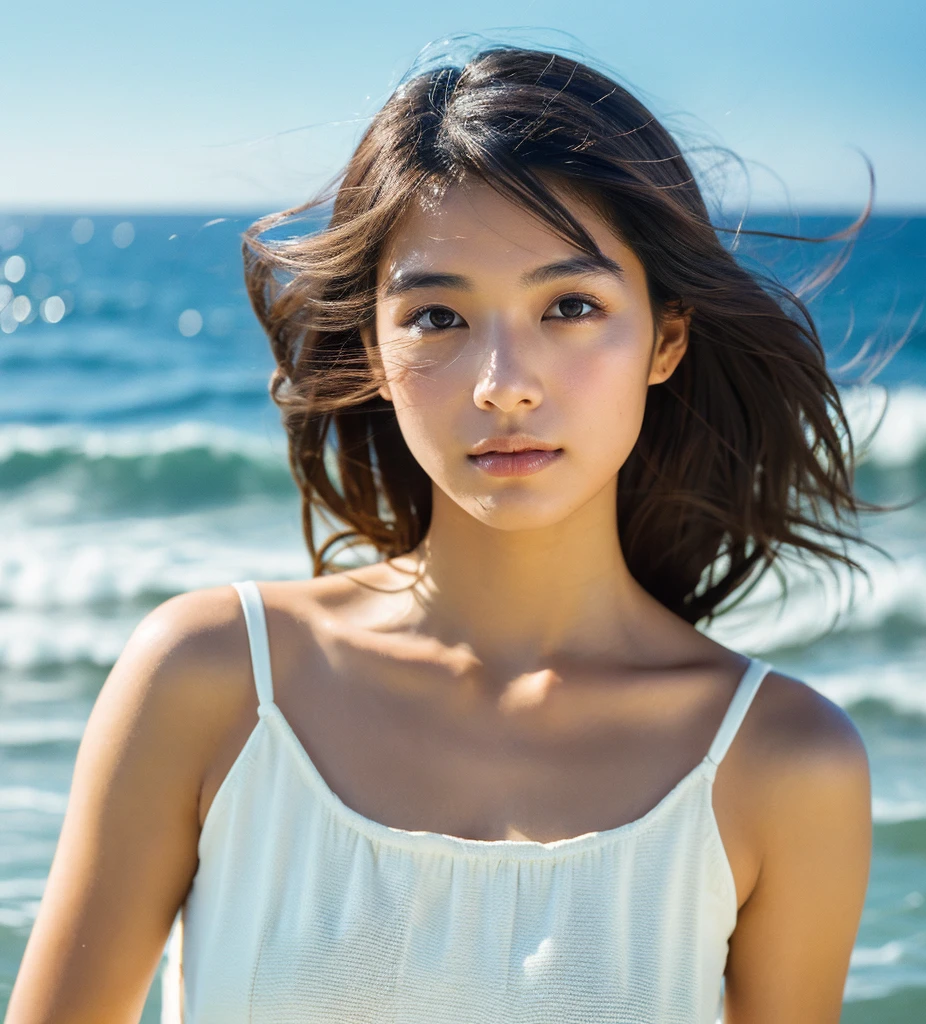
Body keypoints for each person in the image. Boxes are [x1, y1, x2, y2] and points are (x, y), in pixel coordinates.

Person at [7, 44, 877, 1024]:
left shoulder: (783, 763)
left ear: (665, 339)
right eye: (437, 315)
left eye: (571, 306)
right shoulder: (212, 682)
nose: (502, 380)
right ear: (374, 351)